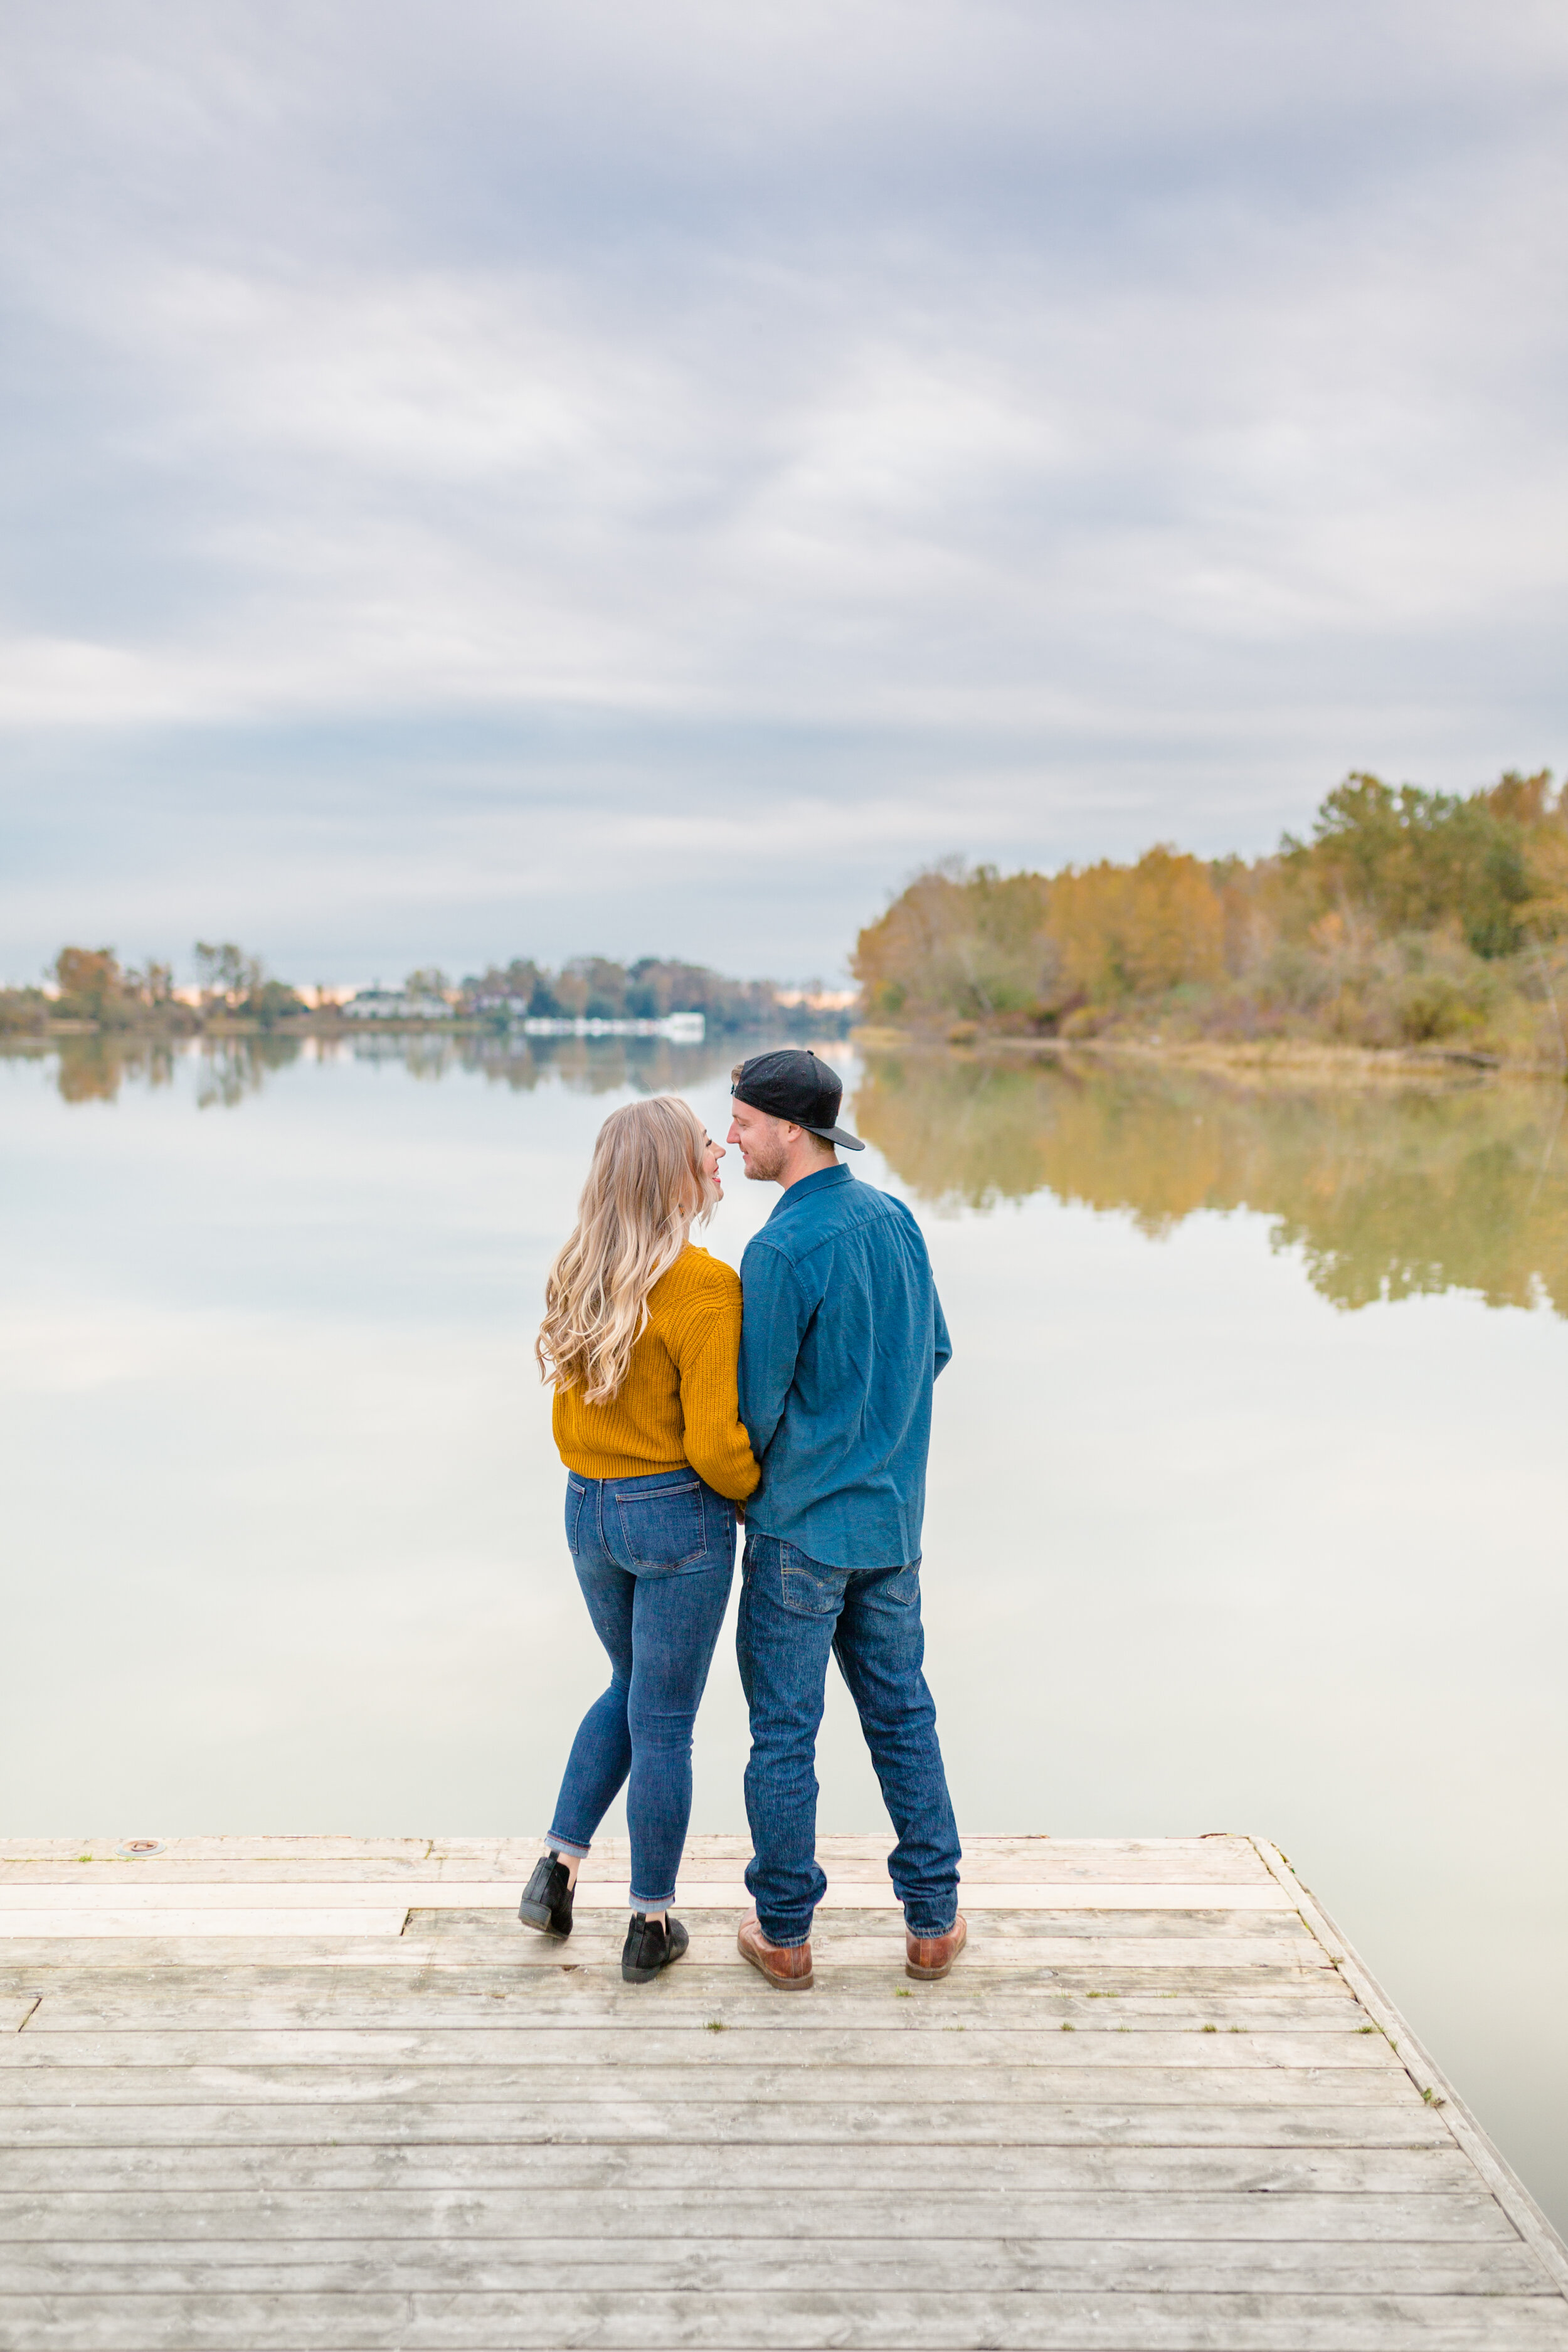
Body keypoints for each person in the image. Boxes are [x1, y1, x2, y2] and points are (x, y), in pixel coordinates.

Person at [727, 1048, 964, 1991]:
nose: (731, 1136)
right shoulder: (897, 1219)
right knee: (903, 1713)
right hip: (893, 1526)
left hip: (799, 1532)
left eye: (742, 1120)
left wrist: (769, 1478)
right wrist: (877, 1442)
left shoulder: (780, 1249)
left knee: (784, 1731)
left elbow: (757, 1405)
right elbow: (935, 1349)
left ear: (790, 1129)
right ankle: (934, 1924)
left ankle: (784, 1933)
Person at [520, 1095, 760, 1984]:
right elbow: (713, 1443)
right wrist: (755, 1492)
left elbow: (565, 1420)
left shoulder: (579, 1271)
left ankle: (557, 1866)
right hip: (676, 1518)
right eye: (706, 1145)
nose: (718, 1153)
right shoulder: (705, 1286)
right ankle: (650, 1918)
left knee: (629, 1688)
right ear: (674, 1172)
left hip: (588, 1510)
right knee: (663, 1721)